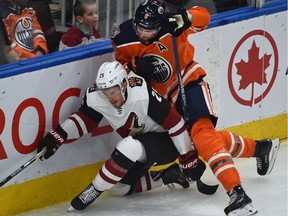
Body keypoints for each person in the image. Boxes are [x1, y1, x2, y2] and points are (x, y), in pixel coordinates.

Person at [110, 1, 280, 215]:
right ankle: (259, 149)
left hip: (189, 83)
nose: (144, 34)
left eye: (150, 29)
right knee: (198, 142)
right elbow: (119, 67)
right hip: (160, 100)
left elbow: (204, 17)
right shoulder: (122, 37)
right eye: (140, 29)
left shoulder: (172, 26)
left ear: (160, 25)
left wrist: (186, 17)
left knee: (202, 135)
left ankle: (238, 194)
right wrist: (131, 68)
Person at [37, 61, 206, 211]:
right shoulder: (97, 96)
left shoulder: (141, 93)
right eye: (105, 92)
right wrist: (57, 136)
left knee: (128, 146)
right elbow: (85, 121)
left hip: (165, 143)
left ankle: (94, 190)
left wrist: (187, 155)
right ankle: (169, 175)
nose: (109, 98)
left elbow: (175, 123)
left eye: (113, 92)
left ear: (124, 84)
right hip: (141, 146)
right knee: (119, 188)